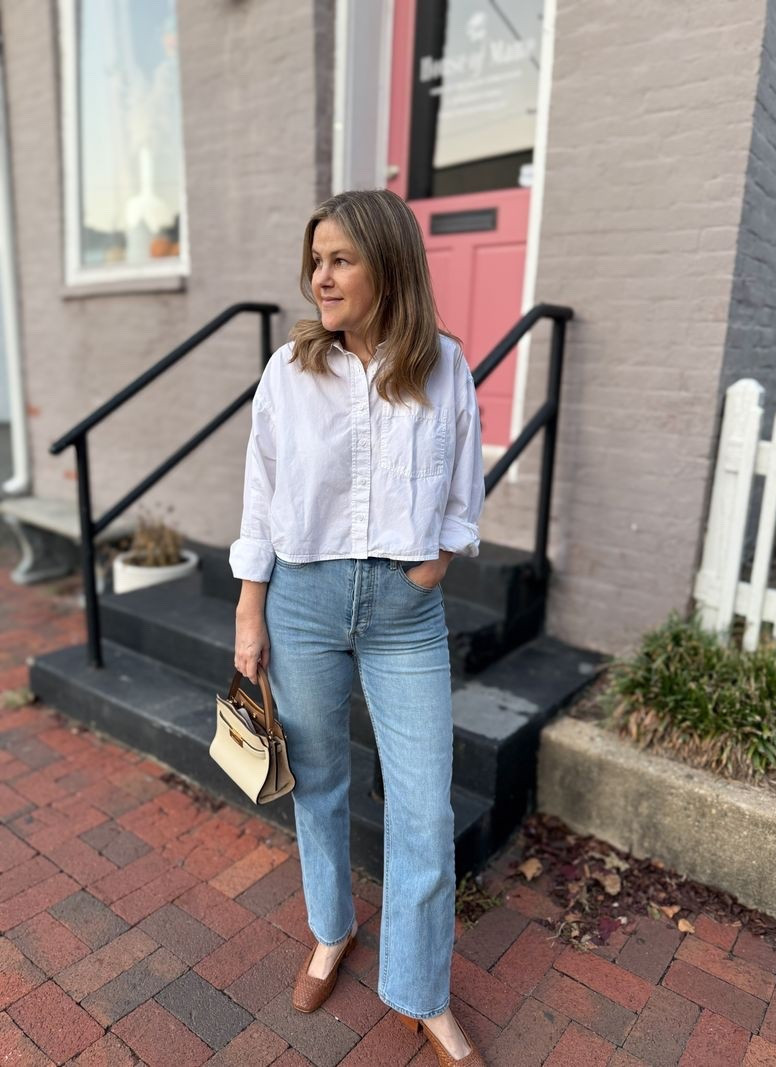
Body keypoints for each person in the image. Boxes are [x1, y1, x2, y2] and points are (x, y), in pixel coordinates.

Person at [230, 188, 486, 1065]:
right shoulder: (289, 371)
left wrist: (437, 559)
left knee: (424, 808)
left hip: (405, 615)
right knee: (320, 783)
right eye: (316, 261)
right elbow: (261, 493)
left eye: (341, 259)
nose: (321, 278)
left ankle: (421, 989)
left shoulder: (445, 365)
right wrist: (250, 609)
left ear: (389, 265)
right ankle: (331, 929)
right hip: (302, 600)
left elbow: (464, 487)